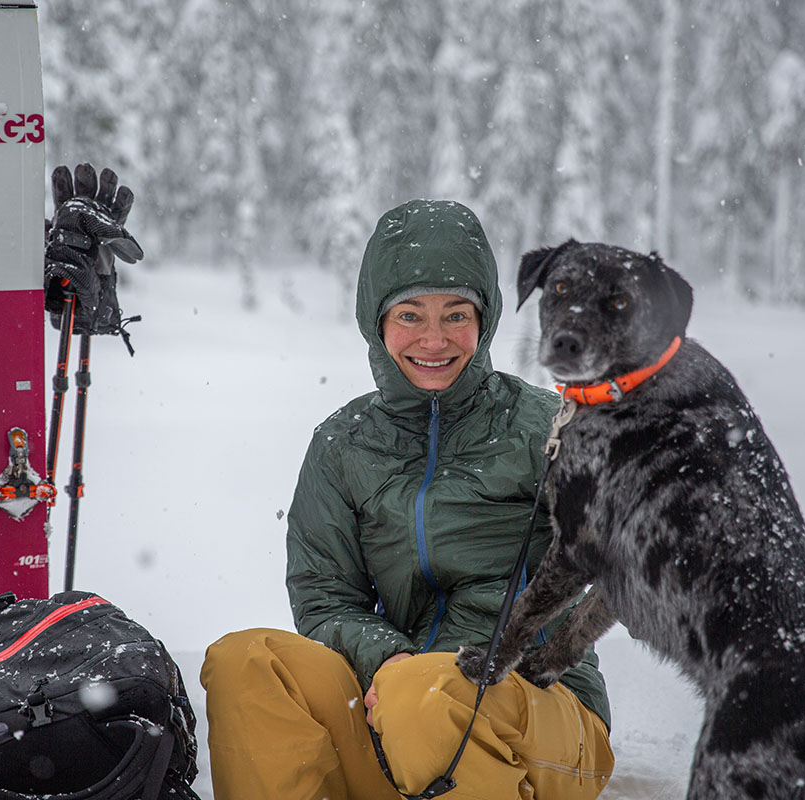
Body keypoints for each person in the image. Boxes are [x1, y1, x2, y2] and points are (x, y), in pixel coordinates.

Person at [200, 199, 614, 800]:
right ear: (377, 320)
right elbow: (324, 600)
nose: (434, 338)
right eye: (410, 314)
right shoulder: (344, 445)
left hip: (539, 722)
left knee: (425, 695)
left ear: (486, 319)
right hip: (392, 711)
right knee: (247, 662)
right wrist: (388, 658)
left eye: (456, 314)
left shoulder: (546, 428)